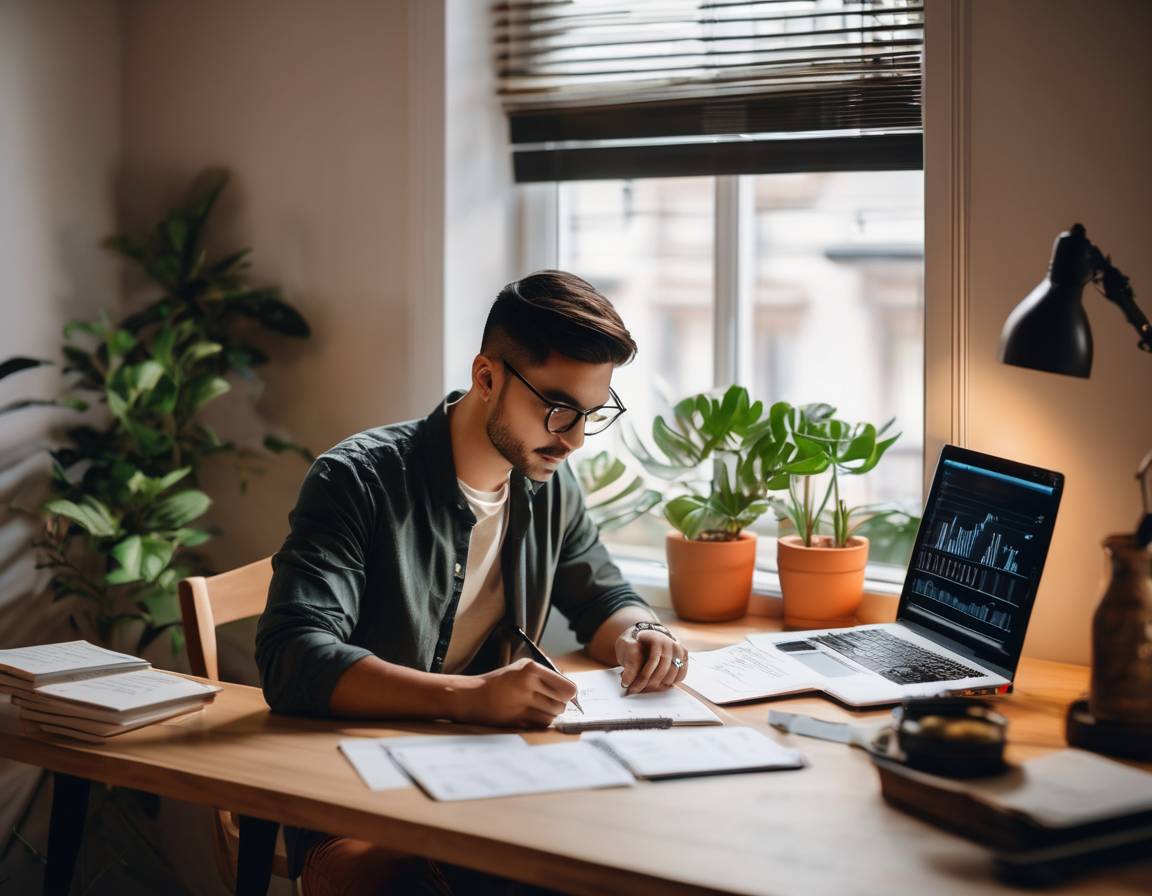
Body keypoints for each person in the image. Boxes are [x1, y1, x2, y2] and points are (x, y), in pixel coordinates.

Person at [255, 270, 689, 895]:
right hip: (359, 793)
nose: (571, 440)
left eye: (591, 415)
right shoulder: (358, 480)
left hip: (491, 777)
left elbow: (602, 598)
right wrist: (469, 697)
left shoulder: (547, 484)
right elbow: (293, 657)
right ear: (487, 377)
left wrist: (642, 634)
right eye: (558, 409)